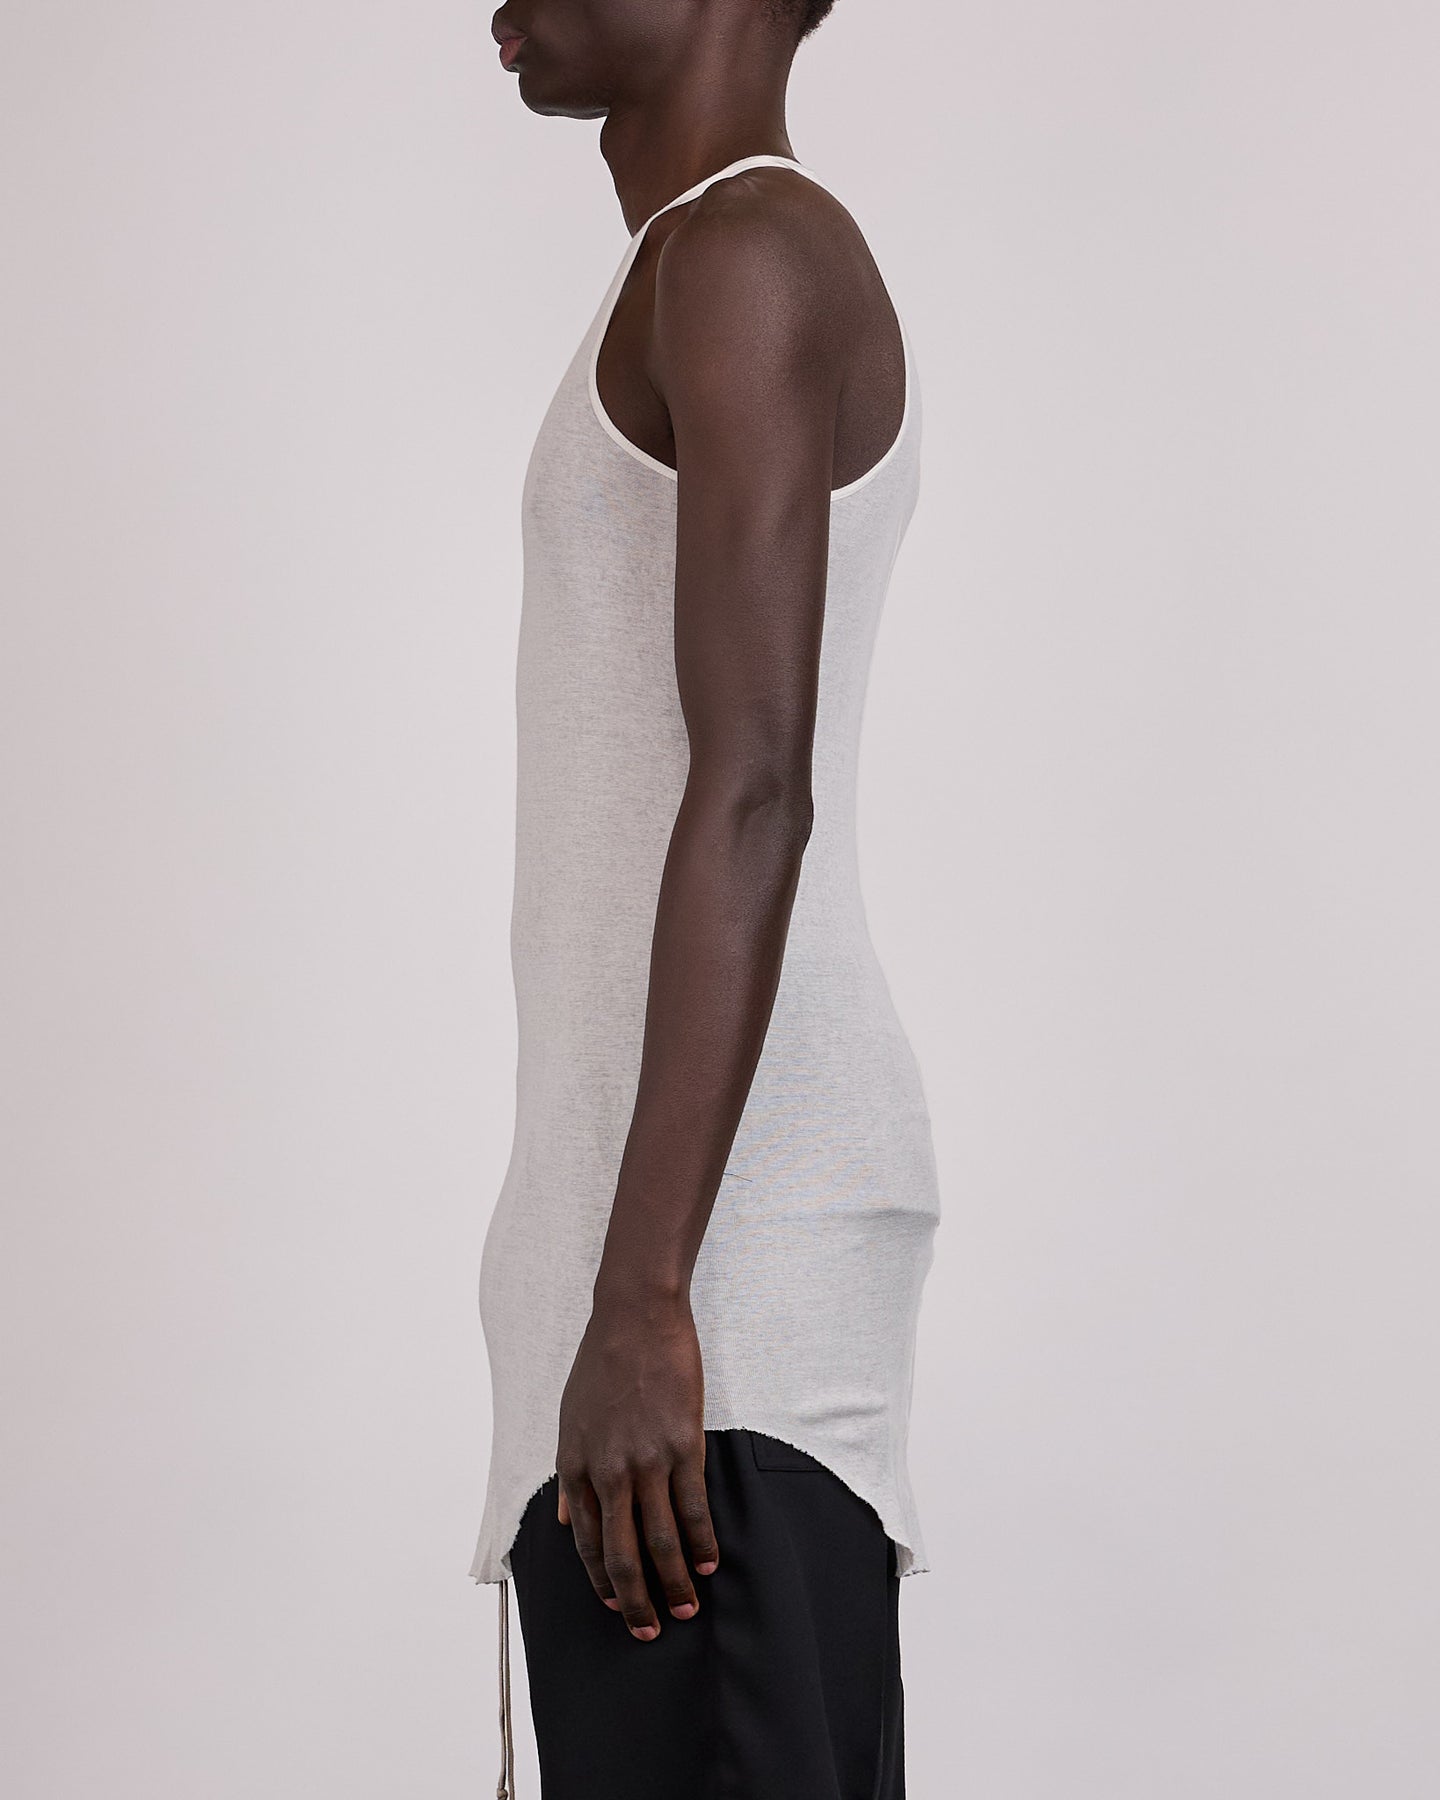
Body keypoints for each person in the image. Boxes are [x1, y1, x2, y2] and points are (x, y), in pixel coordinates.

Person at [470, 2, 941, 1794]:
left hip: (710, 1317)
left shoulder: (747, 249)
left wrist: (646, 1295)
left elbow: (754, 789)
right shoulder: (695, 260)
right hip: (665, 1310)